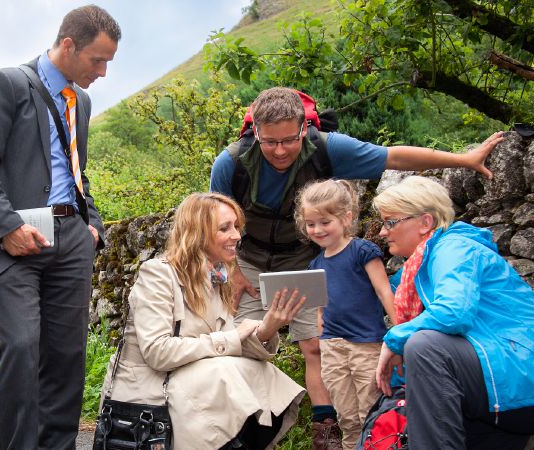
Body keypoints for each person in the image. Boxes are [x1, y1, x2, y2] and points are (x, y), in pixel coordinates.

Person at [209, 86, 505, 448]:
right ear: (255, 133)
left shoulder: (328, 148)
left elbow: (393, 157)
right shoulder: (232, 162)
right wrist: (233, 270)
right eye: (270, 142)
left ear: (304, 128)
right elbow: (216, 221)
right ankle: (244, 429)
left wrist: (464, 160)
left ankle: (326, 428)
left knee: (315, 345)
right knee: (245, 341)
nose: (281, 150)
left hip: (304, 259)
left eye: (289, 139)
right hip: (247, 260)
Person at [0, 6, 120, 449]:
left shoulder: (80, 101)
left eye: (108, 62)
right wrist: (7, 226)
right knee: (22, 346)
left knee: (67, 357)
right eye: (97, 60)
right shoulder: (6, 83)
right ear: (68, 45)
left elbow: (75, 172)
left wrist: (92, 224)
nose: (103, 72)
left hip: (70, 239)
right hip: (12, 243)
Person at [372, 176, 534, 449]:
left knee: (424, 346)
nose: (382, 233)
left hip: (529, 377)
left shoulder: (453, 249)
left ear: (425, 223)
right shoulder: (418, 269)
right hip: (508, 380)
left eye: (390, 222)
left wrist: (395, 338)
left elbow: (453, 312)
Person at [101, 192, 307, 449]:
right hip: (149, 389)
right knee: (225, 372)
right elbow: (157, 352)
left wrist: (267, 328)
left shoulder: (217, 277)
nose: (236, 236)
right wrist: (230, 338)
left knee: (259, 372)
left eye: (236, 226)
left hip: (192, 382)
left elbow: (228, 343)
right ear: (197, 233)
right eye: (225, 228)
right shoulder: (158, 274)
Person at [293, 179, 395, 450]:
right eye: (311, 224)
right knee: (347, 417)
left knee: (372, 412)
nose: (317, 229)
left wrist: (400, 332)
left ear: (346, 217)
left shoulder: (362, 251)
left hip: (366, 344)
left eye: (325, 222)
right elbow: (319, 306)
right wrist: (321, 335)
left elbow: (384, 292)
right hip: (332, 348)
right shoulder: (315, 264)